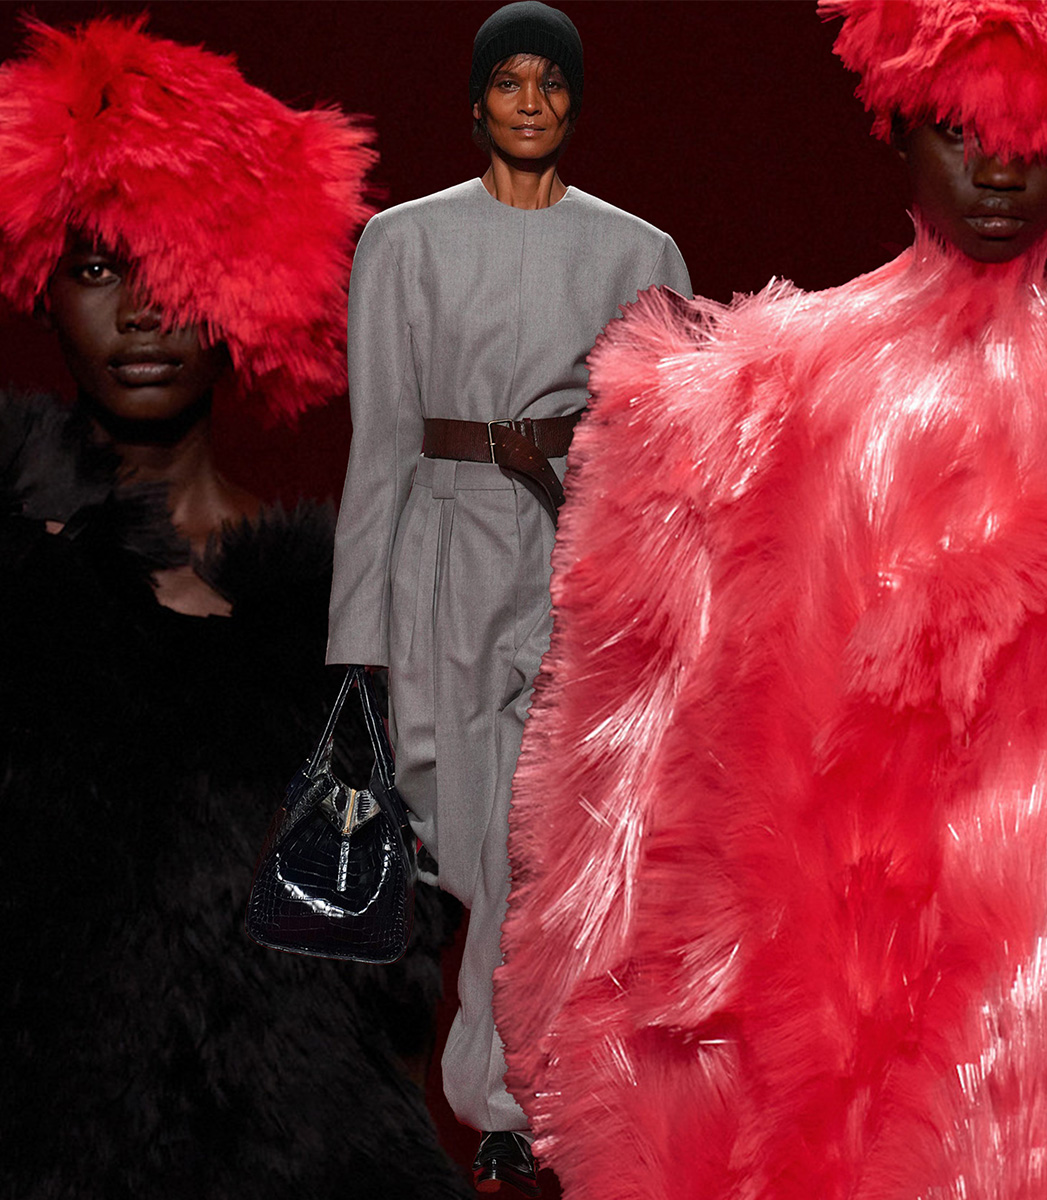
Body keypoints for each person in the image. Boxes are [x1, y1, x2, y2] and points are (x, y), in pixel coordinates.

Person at [496, 1, 1047, 1197]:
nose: (996, 165)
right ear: (897, 127)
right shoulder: (744, 403)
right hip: (802, 998)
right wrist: (595, 1033)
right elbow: (618, 753)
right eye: (959, 127)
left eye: (1033, 134)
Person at [0, 17, 470, 1199]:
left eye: (182, 261)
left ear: (250, 284)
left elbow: (391, 990)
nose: (145, 311)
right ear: (45, 283)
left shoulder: (357, 607)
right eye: (102, 266)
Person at [325, 2, 691, 1193]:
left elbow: (669, 452)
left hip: (576, 551)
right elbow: (377, 450)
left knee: (550, 842)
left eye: (550, 83)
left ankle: (507, 1106)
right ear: (476, 98)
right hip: (441, 543)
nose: (529, 103)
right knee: (464, 832)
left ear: (574, 101)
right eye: (508, 82)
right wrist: (354, 657)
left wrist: (665, 618)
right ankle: (501, 1092)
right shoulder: (404, 244)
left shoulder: (640, 253)